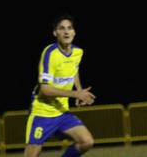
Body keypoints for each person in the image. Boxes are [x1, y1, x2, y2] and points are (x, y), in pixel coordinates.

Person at [24, 14, 96, 157]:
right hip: (42, 112)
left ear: (74, 32)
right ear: (55, 33)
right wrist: (76, 94)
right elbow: (44, 89)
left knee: (87, 141)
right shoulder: (50, 53)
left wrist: (79, 89)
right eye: (61, 28)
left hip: (62, 111)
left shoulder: (78, 52)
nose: (66, 31)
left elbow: (74, 70)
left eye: (69, 28)